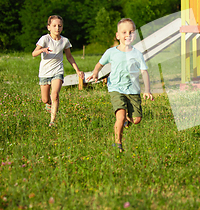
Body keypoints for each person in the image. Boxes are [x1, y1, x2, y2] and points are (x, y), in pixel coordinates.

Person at [87, 18, 153, 152]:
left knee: (137, 119)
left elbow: (144, 72)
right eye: (124, 32)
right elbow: (100, 64)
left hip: (133, 90)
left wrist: (147, 90)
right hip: (116, 88)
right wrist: (95, 73)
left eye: (131, 32)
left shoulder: (137, 54)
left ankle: (127, 120)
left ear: (134, 35)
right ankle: (118, 143)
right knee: (120, 115)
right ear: (118, 36)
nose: (127, 35)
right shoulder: (111, 52)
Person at [32, 15, 84, 127]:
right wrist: (42, 50)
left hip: (57, 71)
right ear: (48, 27)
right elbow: (33, 53)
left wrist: (78, 71)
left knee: (55, 95)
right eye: (54, 26)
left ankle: (53, 121)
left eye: (60, 26)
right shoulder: (45, 39)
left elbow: (69, 57)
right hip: (44, 72)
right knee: (45, 99)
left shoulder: (65, 41)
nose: (57, 28)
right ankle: (48, 104)